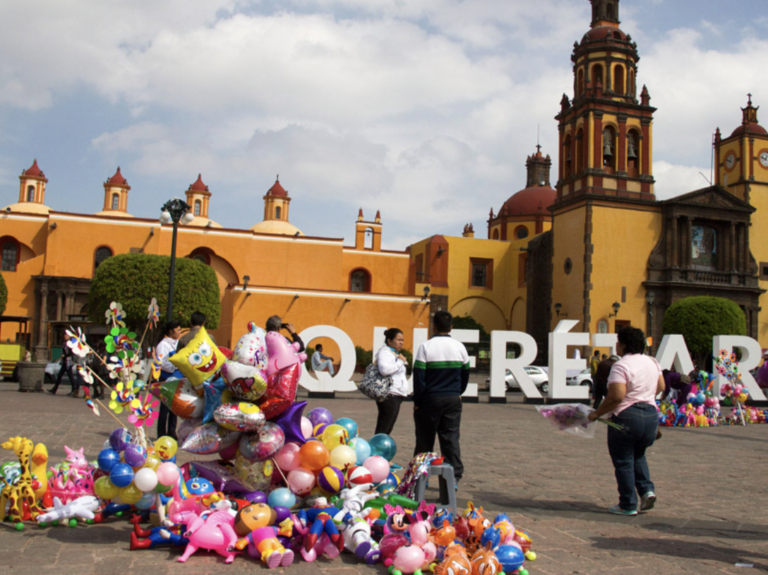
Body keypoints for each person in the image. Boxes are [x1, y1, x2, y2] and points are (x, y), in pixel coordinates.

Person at [588, 326, 664, 516]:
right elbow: (661, 386)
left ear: (623, 344)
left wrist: (597, 413)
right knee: (638, 455)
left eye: (618, 342)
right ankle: (647, 491)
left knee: (623, 460)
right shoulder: (652, 362)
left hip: (627, 416)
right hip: (650, 415)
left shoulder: (621, 365)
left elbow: (616, 396)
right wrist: (644, 395)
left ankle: (628, 504)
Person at [413, 311, 470, 487]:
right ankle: (453, 477)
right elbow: (465, 374)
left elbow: (419, 377)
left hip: (431, 399)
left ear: (434, 326)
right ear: (451, 326)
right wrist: (456, 392)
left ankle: (422, 477)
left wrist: (418, 402)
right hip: (452, 398)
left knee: (425, 439)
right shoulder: (460, 347)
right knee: (450, 438)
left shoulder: (425, 347)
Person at [374, 328, 409, 436]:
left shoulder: (393, 353)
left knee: (386, 429)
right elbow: (384, 370)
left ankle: (379, 450)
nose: (401, 342)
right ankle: (376, 450)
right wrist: (400, 361)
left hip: (396, 395)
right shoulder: (385, 353)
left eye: (402, 340)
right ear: (389, 341)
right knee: (383, 429)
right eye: (398, 340)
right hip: (389, 395)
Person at [155, 321, 182, 440]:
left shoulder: (178, 344)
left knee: (174, 407)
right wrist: (174, 366)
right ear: (171, 331)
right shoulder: (163, 345)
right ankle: (161, 433)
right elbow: (161, 362)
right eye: (178, 330)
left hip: (176, 377)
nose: (179, 332)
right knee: (165, 407)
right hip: (166, 378)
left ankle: (172, 432)